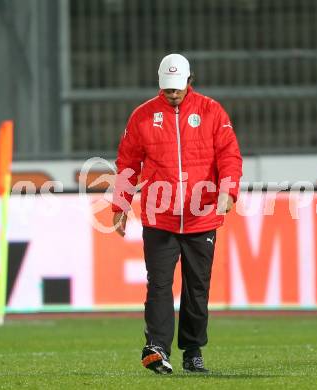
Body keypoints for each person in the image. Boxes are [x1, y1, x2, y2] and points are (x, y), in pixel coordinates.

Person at [112, 53, 242, 374]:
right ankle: (156, 347)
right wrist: (120, 205)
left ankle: (193, 350)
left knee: (197, 288)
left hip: (202, 216)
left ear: (189, 81)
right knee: (158, 284)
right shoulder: (142, 117)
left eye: (178, 87)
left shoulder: (212, 112)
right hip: (160, 215)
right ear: (160, 84)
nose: (173, 93)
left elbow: (229, 155)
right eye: (167, 88)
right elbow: (127, 164)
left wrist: (228, 190)